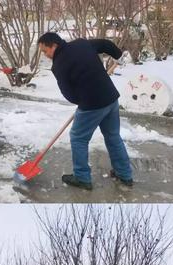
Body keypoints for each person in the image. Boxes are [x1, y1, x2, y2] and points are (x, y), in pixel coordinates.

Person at [38, 32, 132, 190]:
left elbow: (68, 93)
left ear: (54, 45)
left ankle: (82, 177)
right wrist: (118, 55)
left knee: (78, 138)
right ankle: (125, 174)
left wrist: (81, 100)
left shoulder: (59, 65)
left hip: (92, 104)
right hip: (110, 98)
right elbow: (105, 44)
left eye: (45, 51)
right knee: (113, 136)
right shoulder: (82, 44)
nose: (45, 55)